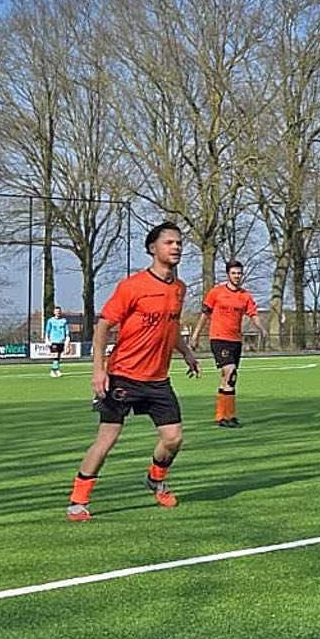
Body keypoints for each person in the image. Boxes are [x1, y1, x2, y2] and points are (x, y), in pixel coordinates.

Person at [65, 222, 201, 520]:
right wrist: (99, 370)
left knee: (173, 438)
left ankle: (155, 479)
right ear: (153, 248)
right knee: (107, 438)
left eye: (179, 243)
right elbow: (103, 326)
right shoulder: (132, 286)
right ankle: (78, 499)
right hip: (123, 375)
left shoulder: (179, 289)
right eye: (169, 243)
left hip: (157, 380)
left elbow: (171, 326)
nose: (176, 247)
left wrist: (186, 351)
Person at [196, 260, 261, 427]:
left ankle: (222, 416)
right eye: (234, 273)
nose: (237, 276)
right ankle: (229, 416)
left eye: (239, 273)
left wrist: (261, 328)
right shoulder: (216, 293)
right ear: (228, 275)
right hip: (219, 338)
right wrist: (195, 334)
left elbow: (253, 314)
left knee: (227, 378)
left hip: (235, 340)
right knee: (231, 373)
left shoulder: (245, 296)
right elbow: (204, 314)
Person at [43, 306, 69, 377]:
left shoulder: (64, 321)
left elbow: (66, 331)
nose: (58, 313)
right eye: (57, 311)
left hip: (61, 341)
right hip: (53, 340)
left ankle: (54, 370)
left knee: (59, 356)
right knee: (56, 354)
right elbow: (47, 331)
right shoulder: (50, 321)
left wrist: (67, 340)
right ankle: (54, 370)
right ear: (54, 312)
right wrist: (47, 340)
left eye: (59, 311)